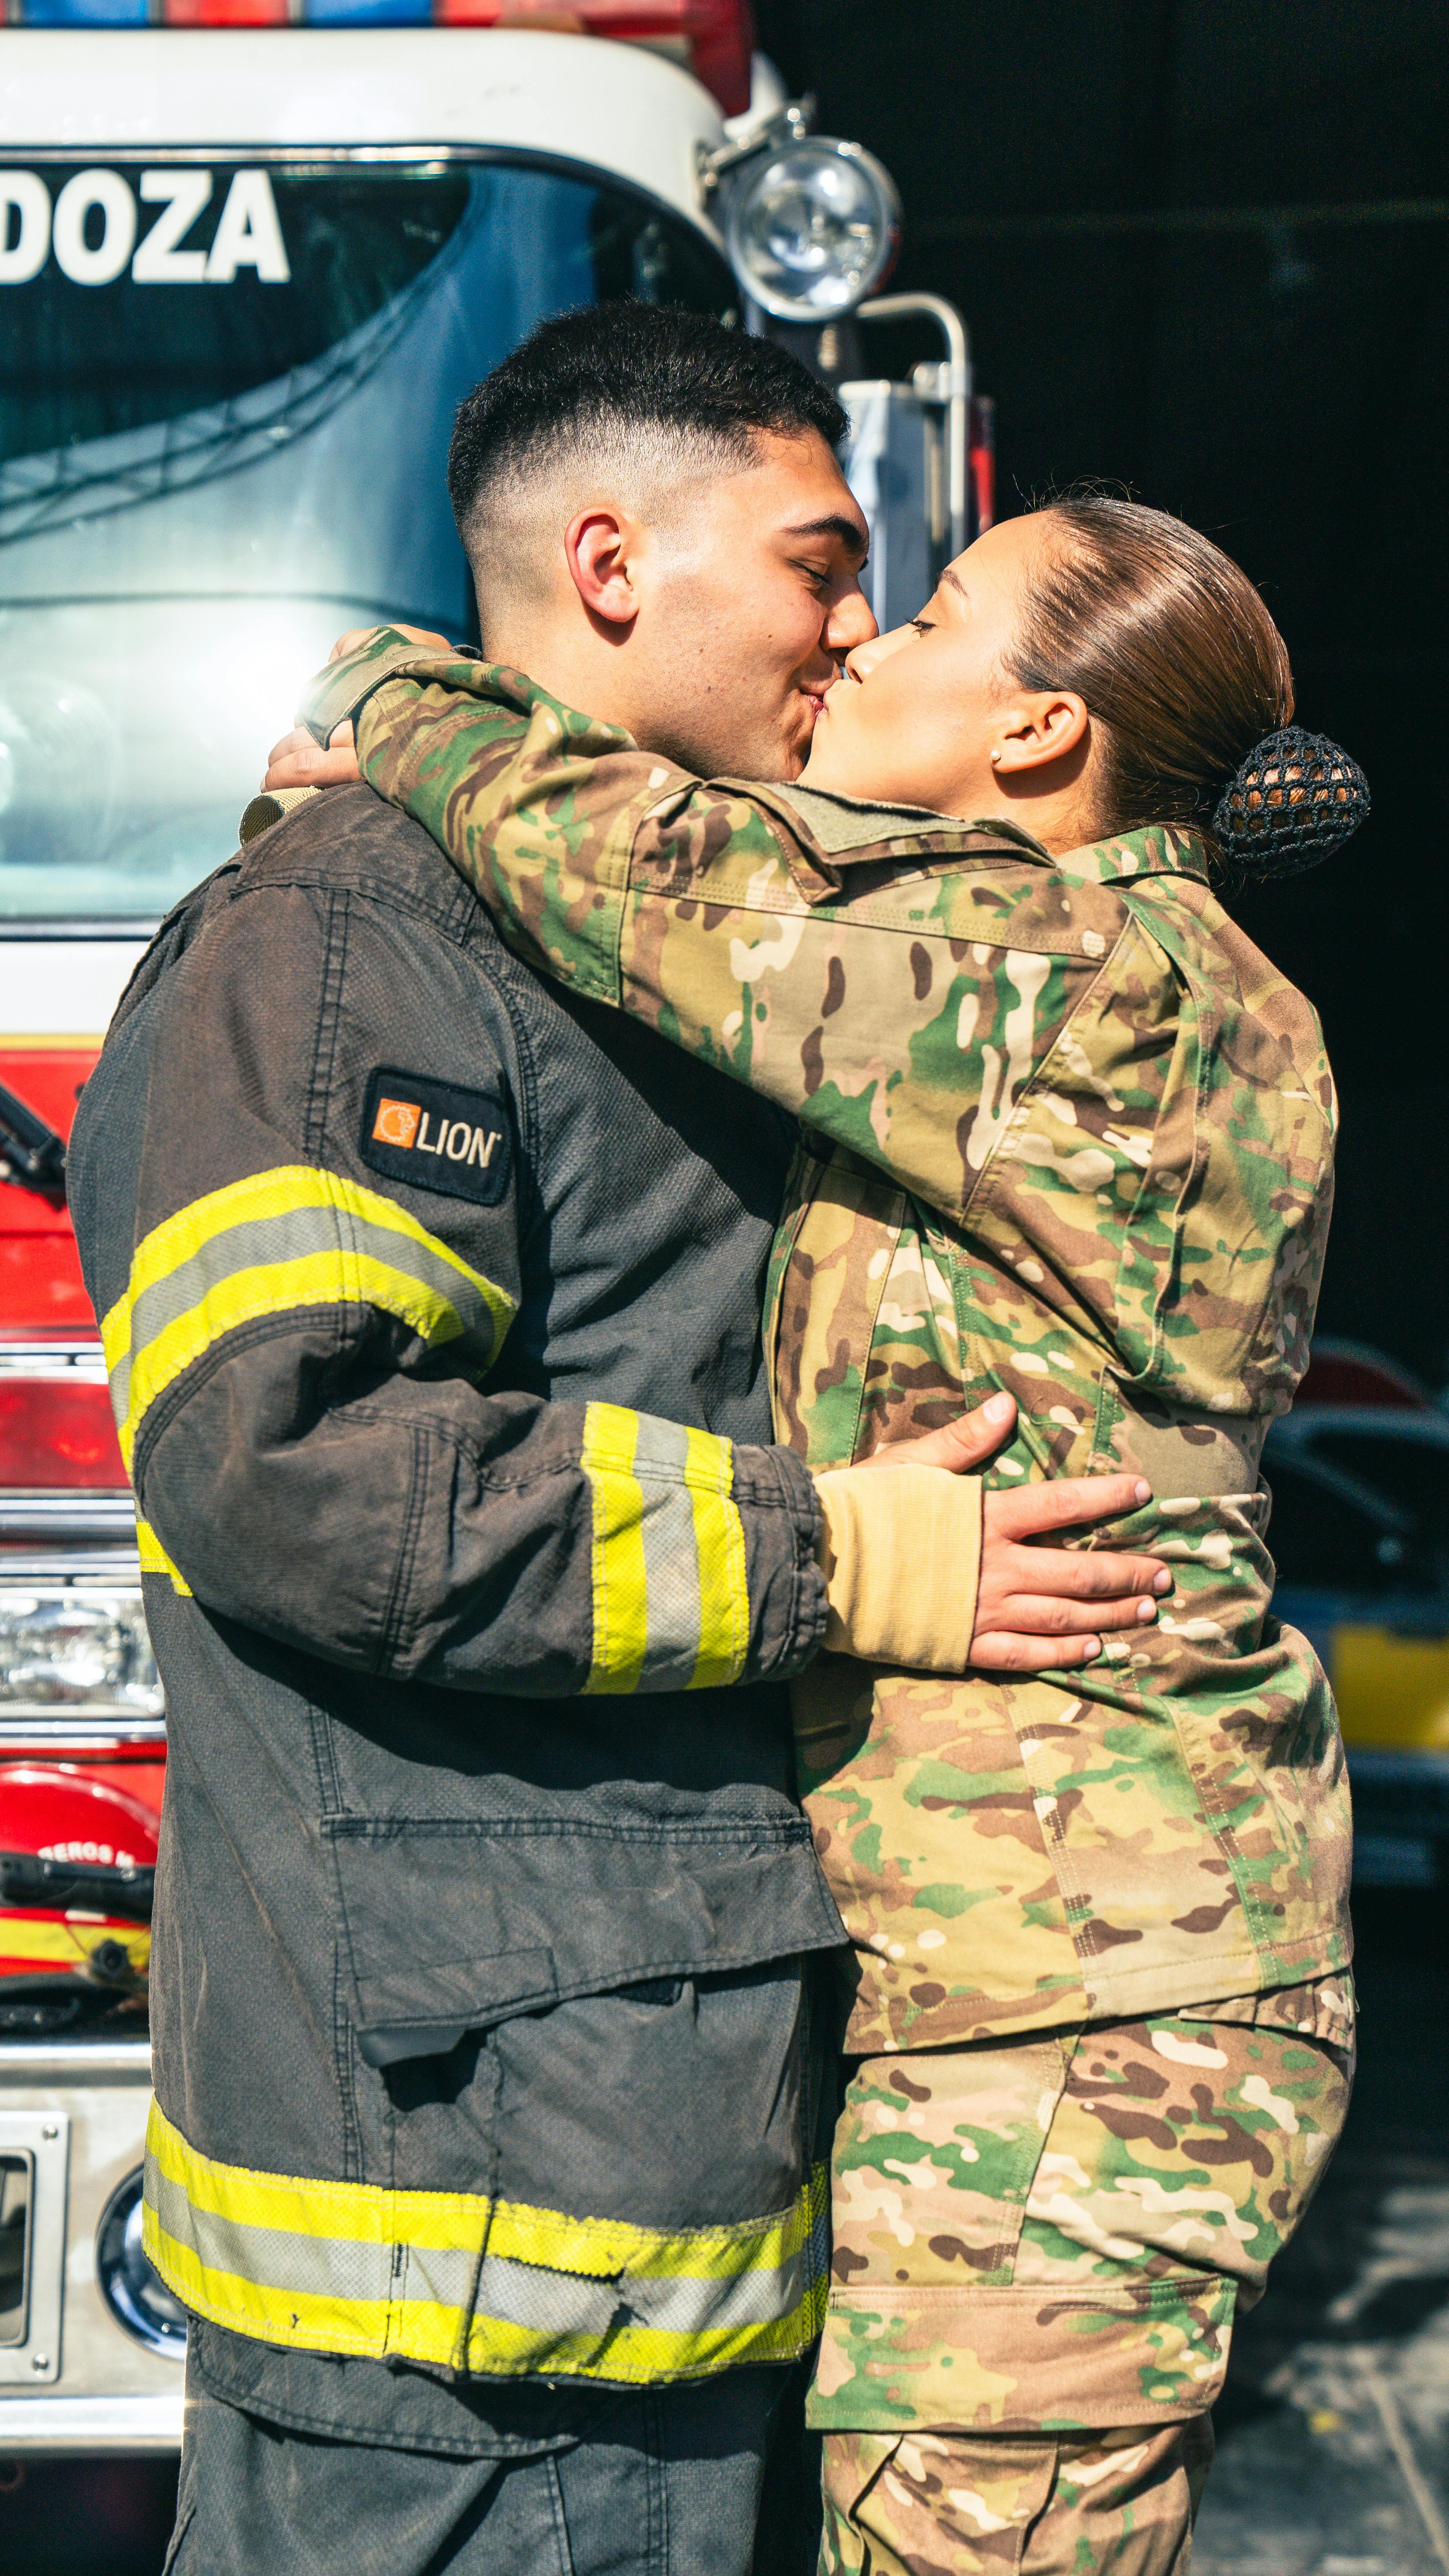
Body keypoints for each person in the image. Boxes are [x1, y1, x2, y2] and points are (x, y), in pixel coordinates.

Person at [67, 311, 1169, 2576]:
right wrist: (843, 1558)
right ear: (607, 564)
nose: (860, 623)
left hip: (601, 2196)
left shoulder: (631, 938)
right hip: (496, 2260)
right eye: (822, 556)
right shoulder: (360, 948)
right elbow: (297, 1467)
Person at [285, 490, 1366, 2574]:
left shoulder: (1061, 973)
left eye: (936, 618)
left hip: (1080, 2007)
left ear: (1039, 732)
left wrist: (389, 687)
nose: (865, 642)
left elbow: (648, 871)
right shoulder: (1133, 976)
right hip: (1061, 1974)